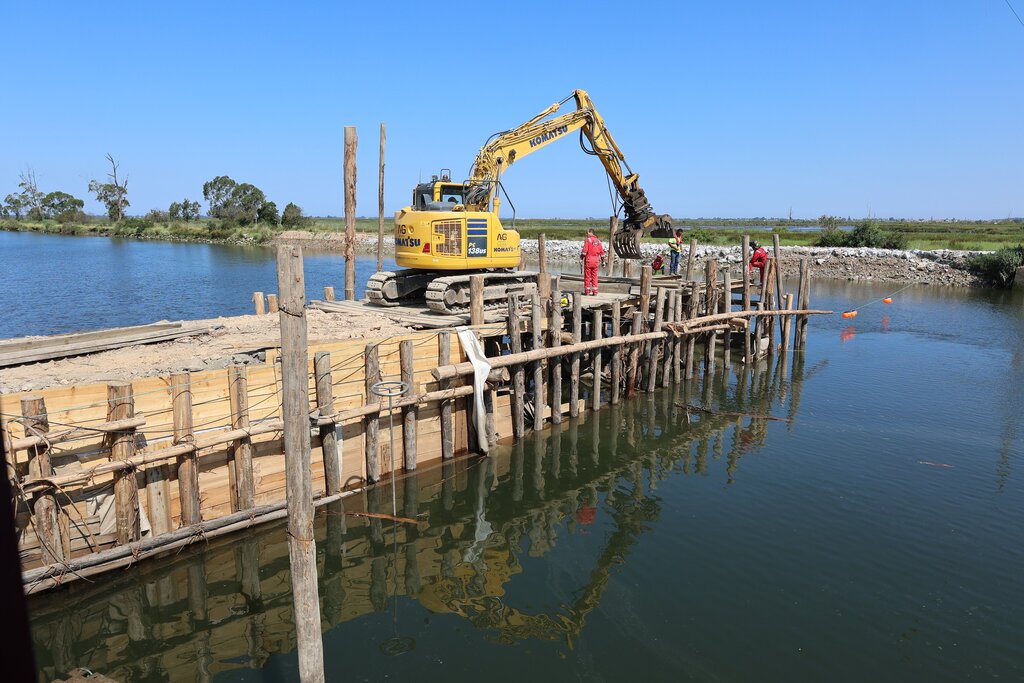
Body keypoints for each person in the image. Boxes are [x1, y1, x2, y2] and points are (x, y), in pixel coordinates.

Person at [580, 227, 606, 295]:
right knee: (595, 276)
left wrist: (581, 258)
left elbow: (584, 252)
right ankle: (595, 291)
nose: (586, 234)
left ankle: (587, 291)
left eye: (587, 232)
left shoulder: (588, 240)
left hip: (589, 260)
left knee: (587, 276)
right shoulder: (598, 241)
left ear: (590, 232)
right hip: (596, 261)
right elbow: (602, 253)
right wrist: (603, 262)